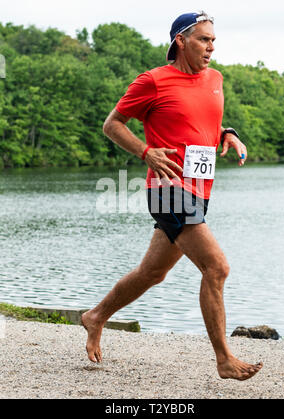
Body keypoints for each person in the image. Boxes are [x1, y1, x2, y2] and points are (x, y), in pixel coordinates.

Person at [82, 11, 263, 381]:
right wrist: (145, 152)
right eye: (203, 39)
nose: (211, 47)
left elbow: (201, 124)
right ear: (181, 40)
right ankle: (224, 358)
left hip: (200, 189)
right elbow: (111, 124)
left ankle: (95, 316)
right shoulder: (153, 81)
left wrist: (227, 133)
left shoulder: (215, 79)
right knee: (217, 267)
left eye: (213, 40)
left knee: (153, 272)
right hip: (166, 190)